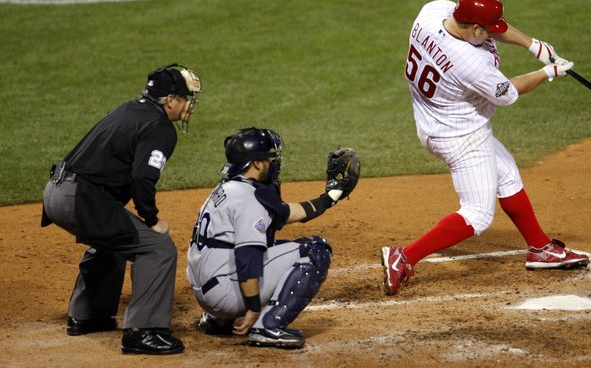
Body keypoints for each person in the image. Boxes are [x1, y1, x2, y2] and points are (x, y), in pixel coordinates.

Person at [381, 0, 589, 296]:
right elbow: (508, 92)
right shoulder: (469, 62)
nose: (493, 33)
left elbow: (484, 27)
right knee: (477, 214)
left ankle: (540, 248)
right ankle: (405, 256)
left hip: (432, 122)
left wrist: (533, 45)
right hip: (461, 136)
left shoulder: (432, 12)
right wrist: (548, 72)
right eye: (489, 30)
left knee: (506, 175)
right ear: (475, 30)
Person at [41, 63, 202, 354]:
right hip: (80, 198)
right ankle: (144, 332)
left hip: (56, 192)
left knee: (115, 238)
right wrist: (151, 218)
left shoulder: (129, 109)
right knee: (157, 247)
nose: (190, 104)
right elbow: (142, 178)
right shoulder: (160, 127)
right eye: (187, 97)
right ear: (171, 100)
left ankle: (88, 315)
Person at [187, 128, 359, 349]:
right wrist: (252, 307)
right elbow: (247, 256)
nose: (275, 162)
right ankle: (268, 326)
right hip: (225, 295)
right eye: (270, 157)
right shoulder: (250, 199)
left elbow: (285, 213)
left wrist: (330, 197)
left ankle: (218, 320)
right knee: (315, 250)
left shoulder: (228, 188)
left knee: (262, 243)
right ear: (257, 163)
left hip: (206, 291)